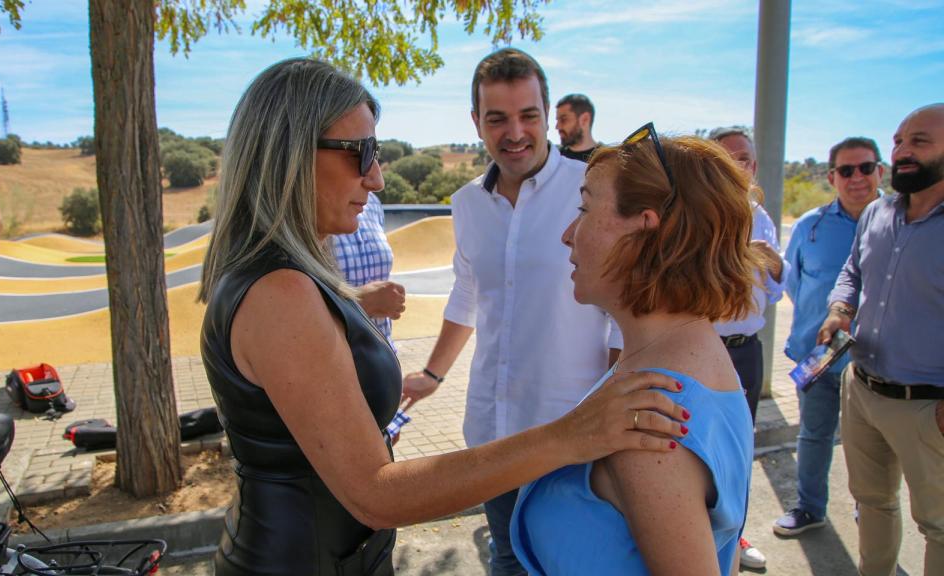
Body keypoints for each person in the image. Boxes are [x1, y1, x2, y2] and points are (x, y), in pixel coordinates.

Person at [198, 58, 688, 576]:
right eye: (361, 152)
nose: (378, 177)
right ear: (290, 153)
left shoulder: (278, 274)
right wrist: (572, 433)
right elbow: (376, 495)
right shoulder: (281, 289)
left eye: (377, 153)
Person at [400, 49, 623, 576]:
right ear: (476, 122)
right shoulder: (467, 204)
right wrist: (433, 374)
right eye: (497, 118)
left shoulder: (592, 191)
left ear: (549, 116)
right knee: (508, 561)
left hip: (574, 437)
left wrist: (615, 410)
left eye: (528, 115)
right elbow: (468, 293)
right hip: (494, 434)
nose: (515, 132)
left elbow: (621, 310)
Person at [510, 128, 760, 576]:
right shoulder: (697, 350)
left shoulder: (649, 417)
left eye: (585, 208)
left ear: (643, 232)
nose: (568, 234)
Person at [820, 103, 944, 576]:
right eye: (898, 141)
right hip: (862, 388)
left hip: (928, 408)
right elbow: (852, 273)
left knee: (938, 526)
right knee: (872, 503)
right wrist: (839, 310)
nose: (902, 151)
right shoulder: (878, 211)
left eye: (919, 141)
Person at [774, 137, 883, 538]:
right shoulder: (810, 226)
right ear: (832, 177)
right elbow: (793, 283)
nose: (857, 178)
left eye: (866, 168)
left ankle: (871, 510)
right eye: (847, 170)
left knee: (872, 447)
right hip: (818, 355)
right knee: (814, 435)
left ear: (880, 172)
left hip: (877, 364)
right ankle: (809, 508)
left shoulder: (900, 224)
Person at [707, 126, 786, 570]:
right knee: (701, 451)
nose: (741, 167)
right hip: (703, 350)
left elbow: (774, 293)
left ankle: (733, 539)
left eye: (746, 159)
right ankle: (695, 538)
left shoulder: (761, 216)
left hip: (746, 352)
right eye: (729, 158)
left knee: (740, 450)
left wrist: (774, 263)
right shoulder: (691, 213)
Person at [331, 192, 405, 341]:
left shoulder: (372, 202)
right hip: (334, 360)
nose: (379, 183)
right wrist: (363, 303)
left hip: (382, 355)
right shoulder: (301, 204)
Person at [556, 93, 599, 162]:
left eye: (563, 119)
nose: (557, 127)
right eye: (557, 120)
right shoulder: (554, 157)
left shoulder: (608, 159)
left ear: (585, 119)